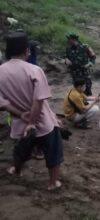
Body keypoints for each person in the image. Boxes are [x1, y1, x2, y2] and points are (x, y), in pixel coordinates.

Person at [0, 32, 63, 190]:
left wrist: (22, 115)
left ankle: (16, 170)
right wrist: (32, 122)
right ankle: (53, 182)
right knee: (53, 152)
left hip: (19, 122)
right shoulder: (34, 70)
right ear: (27, 50)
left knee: (21, 150)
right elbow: (39, 99)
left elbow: (2, 102)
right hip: (42, 122)